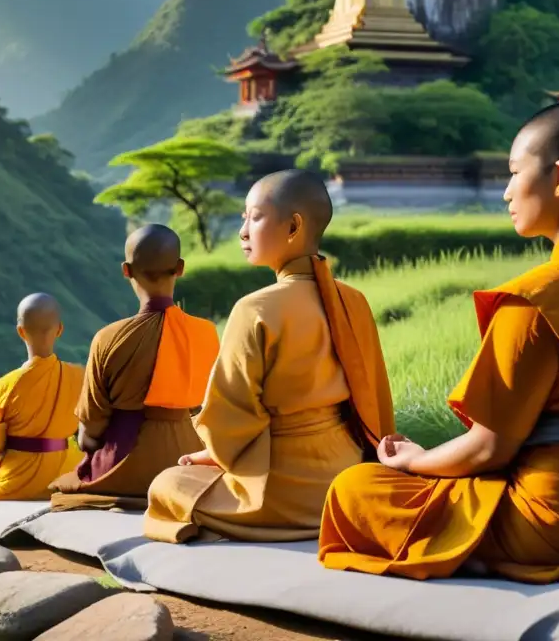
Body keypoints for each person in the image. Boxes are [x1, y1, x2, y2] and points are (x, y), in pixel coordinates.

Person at [318, 39, 559, 588]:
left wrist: (411, 461)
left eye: (514, 171)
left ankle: (481, 552)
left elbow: (488, 448)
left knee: (356, 490)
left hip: (557, 520)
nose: (505, 191)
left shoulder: (541, 295)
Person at [144, 169, 395, 543]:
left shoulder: (255, 308)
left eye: (254, 217)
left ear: (293, 226)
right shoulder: (353, 300)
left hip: (283, 489)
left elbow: (231, 416)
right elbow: (377, 399)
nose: (243, 231)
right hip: (346, 478)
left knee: (169, 485)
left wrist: (215, 455)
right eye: (243, 218)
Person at [49, 224, 220, 511]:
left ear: (126, 270)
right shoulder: (206, 333)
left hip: (125, 462)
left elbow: (92, 423)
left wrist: (89, 443)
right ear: (179, 268)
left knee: (64, 487)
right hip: (189, 462)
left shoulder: (108, 337)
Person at [0, 293, 84, 501]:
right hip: (68, 473)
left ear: (20, 332)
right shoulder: (80, 376)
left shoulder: (2, 387)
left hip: (17, 480)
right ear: (60, 330)